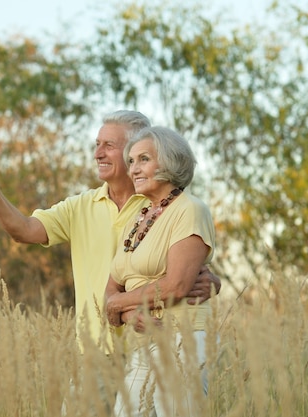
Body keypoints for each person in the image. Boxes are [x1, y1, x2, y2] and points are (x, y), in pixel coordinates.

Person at [0, 110, 220, 352]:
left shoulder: (166, 205)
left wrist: (210, 281)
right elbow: (24, 230)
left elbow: (183, 273)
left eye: (109, 146)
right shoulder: (81, 205)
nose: (98, 153)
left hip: (149, 343)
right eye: (97, 145)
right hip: (96, 350)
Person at [105, 126, 216, 417]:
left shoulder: (190, 210)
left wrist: (117, 305)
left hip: (181, 337)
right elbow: (113, 288)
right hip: (141, 340)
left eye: (143, 159)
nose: (133, 170)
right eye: (130, 161)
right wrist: (127, 312)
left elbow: (176, 286)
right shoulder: (137, 218)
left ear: (169, 161)